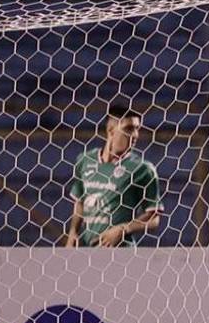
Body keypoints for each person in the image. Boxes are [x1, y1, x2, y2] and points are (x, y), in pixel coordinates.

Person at [66, 103, 162, 247]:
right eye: (129, 129)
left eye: (137, 129)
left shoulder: (142, 169)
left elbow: (154, 218)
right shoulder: (85, 160)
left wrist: (123, 229)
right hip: (87, 251)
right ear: (111, 130)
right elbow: (80, 202)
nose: (135, 135)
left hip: (122, 254)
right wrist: (73, 232)